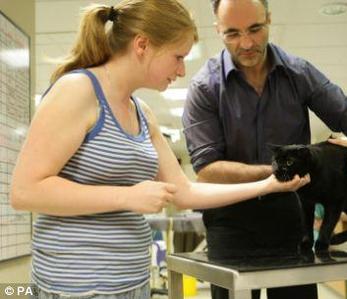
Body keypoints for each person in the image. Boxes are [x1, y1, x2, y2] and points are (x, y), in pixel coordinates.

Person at [9, 1, 309, 298]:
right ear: (142, 45)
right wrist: (127, 196)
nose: (181, 71)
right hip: (76, 286)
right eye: (178, 57)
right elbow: (26, 191)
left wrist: (268, 185)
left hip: (133, 281)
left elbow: (185, 192)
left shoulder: (142, 112)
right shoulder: (77, 90)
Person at [182, 0, 347, 298]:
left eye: (255, 29)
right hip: (231, 225)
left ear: (269, 19)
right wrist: (277, 175)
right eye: (232, 33)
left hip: (293, 223)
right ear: (217, 30)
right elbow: (208, 169)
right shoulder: (204, 88)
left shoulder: (298, 73)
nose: (247, 43)